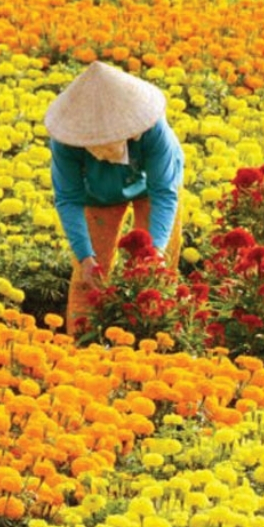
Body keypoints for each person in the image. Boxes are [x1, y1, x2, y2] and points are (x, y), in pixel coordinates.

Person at [44, 61, 184, 336]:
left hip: (151, 189)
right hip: (97, 193)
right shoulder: (65, 142)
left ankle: (156, 340)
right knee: (90, 278)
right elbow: (68, 199)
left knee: (156, 270)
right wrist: (85, 257)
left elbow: (163, 194)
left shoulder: (154, 132)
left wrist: (154, 251)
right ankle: (82, 346)